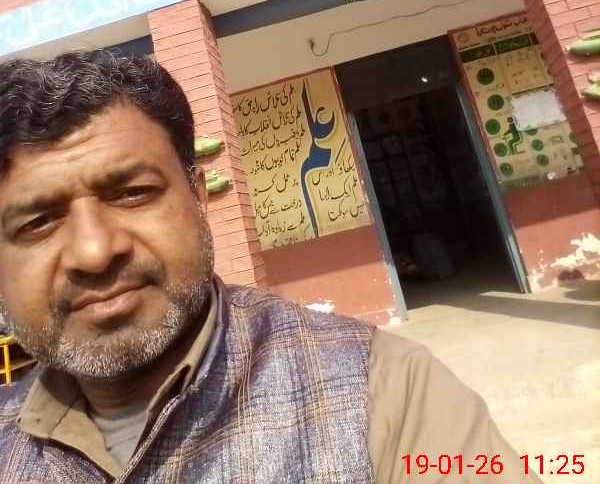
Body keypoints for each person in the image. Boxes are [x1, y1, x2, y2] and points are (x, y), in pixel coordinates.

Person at [0, 51, 541, 483]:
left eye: (133, 193)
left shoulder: (388, 392)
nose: (94, 252)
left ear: (198, 197)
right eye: (38, 222)